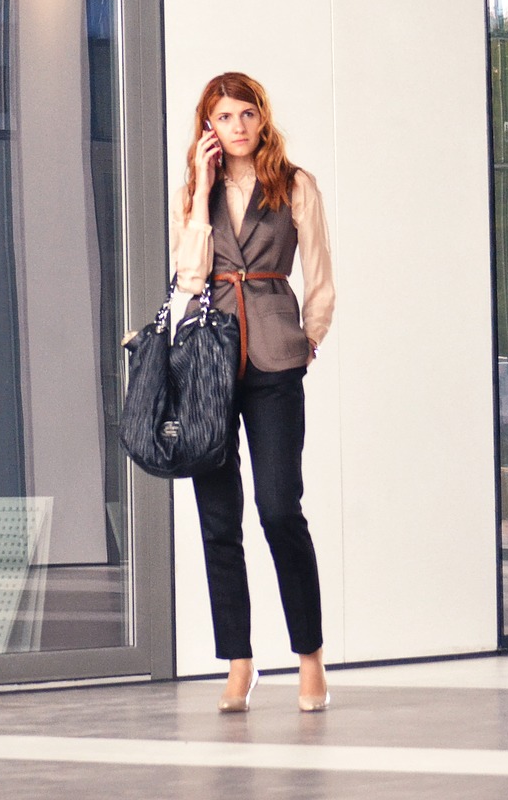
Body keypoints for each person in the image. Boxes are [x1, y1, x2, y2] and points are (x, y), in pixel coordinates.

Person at [172, 72, 334, 713]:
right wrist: (203, 189)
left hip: (274, 357)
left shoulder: (295, 185)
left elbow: (319, 272)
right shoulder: (195, 191)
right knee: (218, 520)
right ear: (208, 126)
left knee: (277, 509)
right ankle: (238, 662)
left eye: (247, 114)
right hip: (210, 361)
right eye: (224, 117)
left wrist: (309, 339)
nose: (237, 126)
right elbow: (188, 276)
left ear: (261, 119)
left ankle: (310, 657)